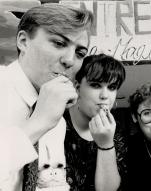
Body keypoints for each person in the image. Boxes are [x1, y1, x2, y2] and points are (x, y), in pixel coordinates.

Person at [0, 3, 93, 191]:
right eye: (59, 43)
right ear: (23, 41)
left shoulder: (56, 120)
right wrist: (38, 123)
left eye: (80, 53)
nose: (70, 60)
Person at [63, 54, 126, 191]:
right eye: (96, 85)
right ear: (77, 87)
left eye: (112, 87)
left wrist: (106, 144)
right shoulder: (57, 122)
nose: (104, 95)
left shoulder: (116, 131)